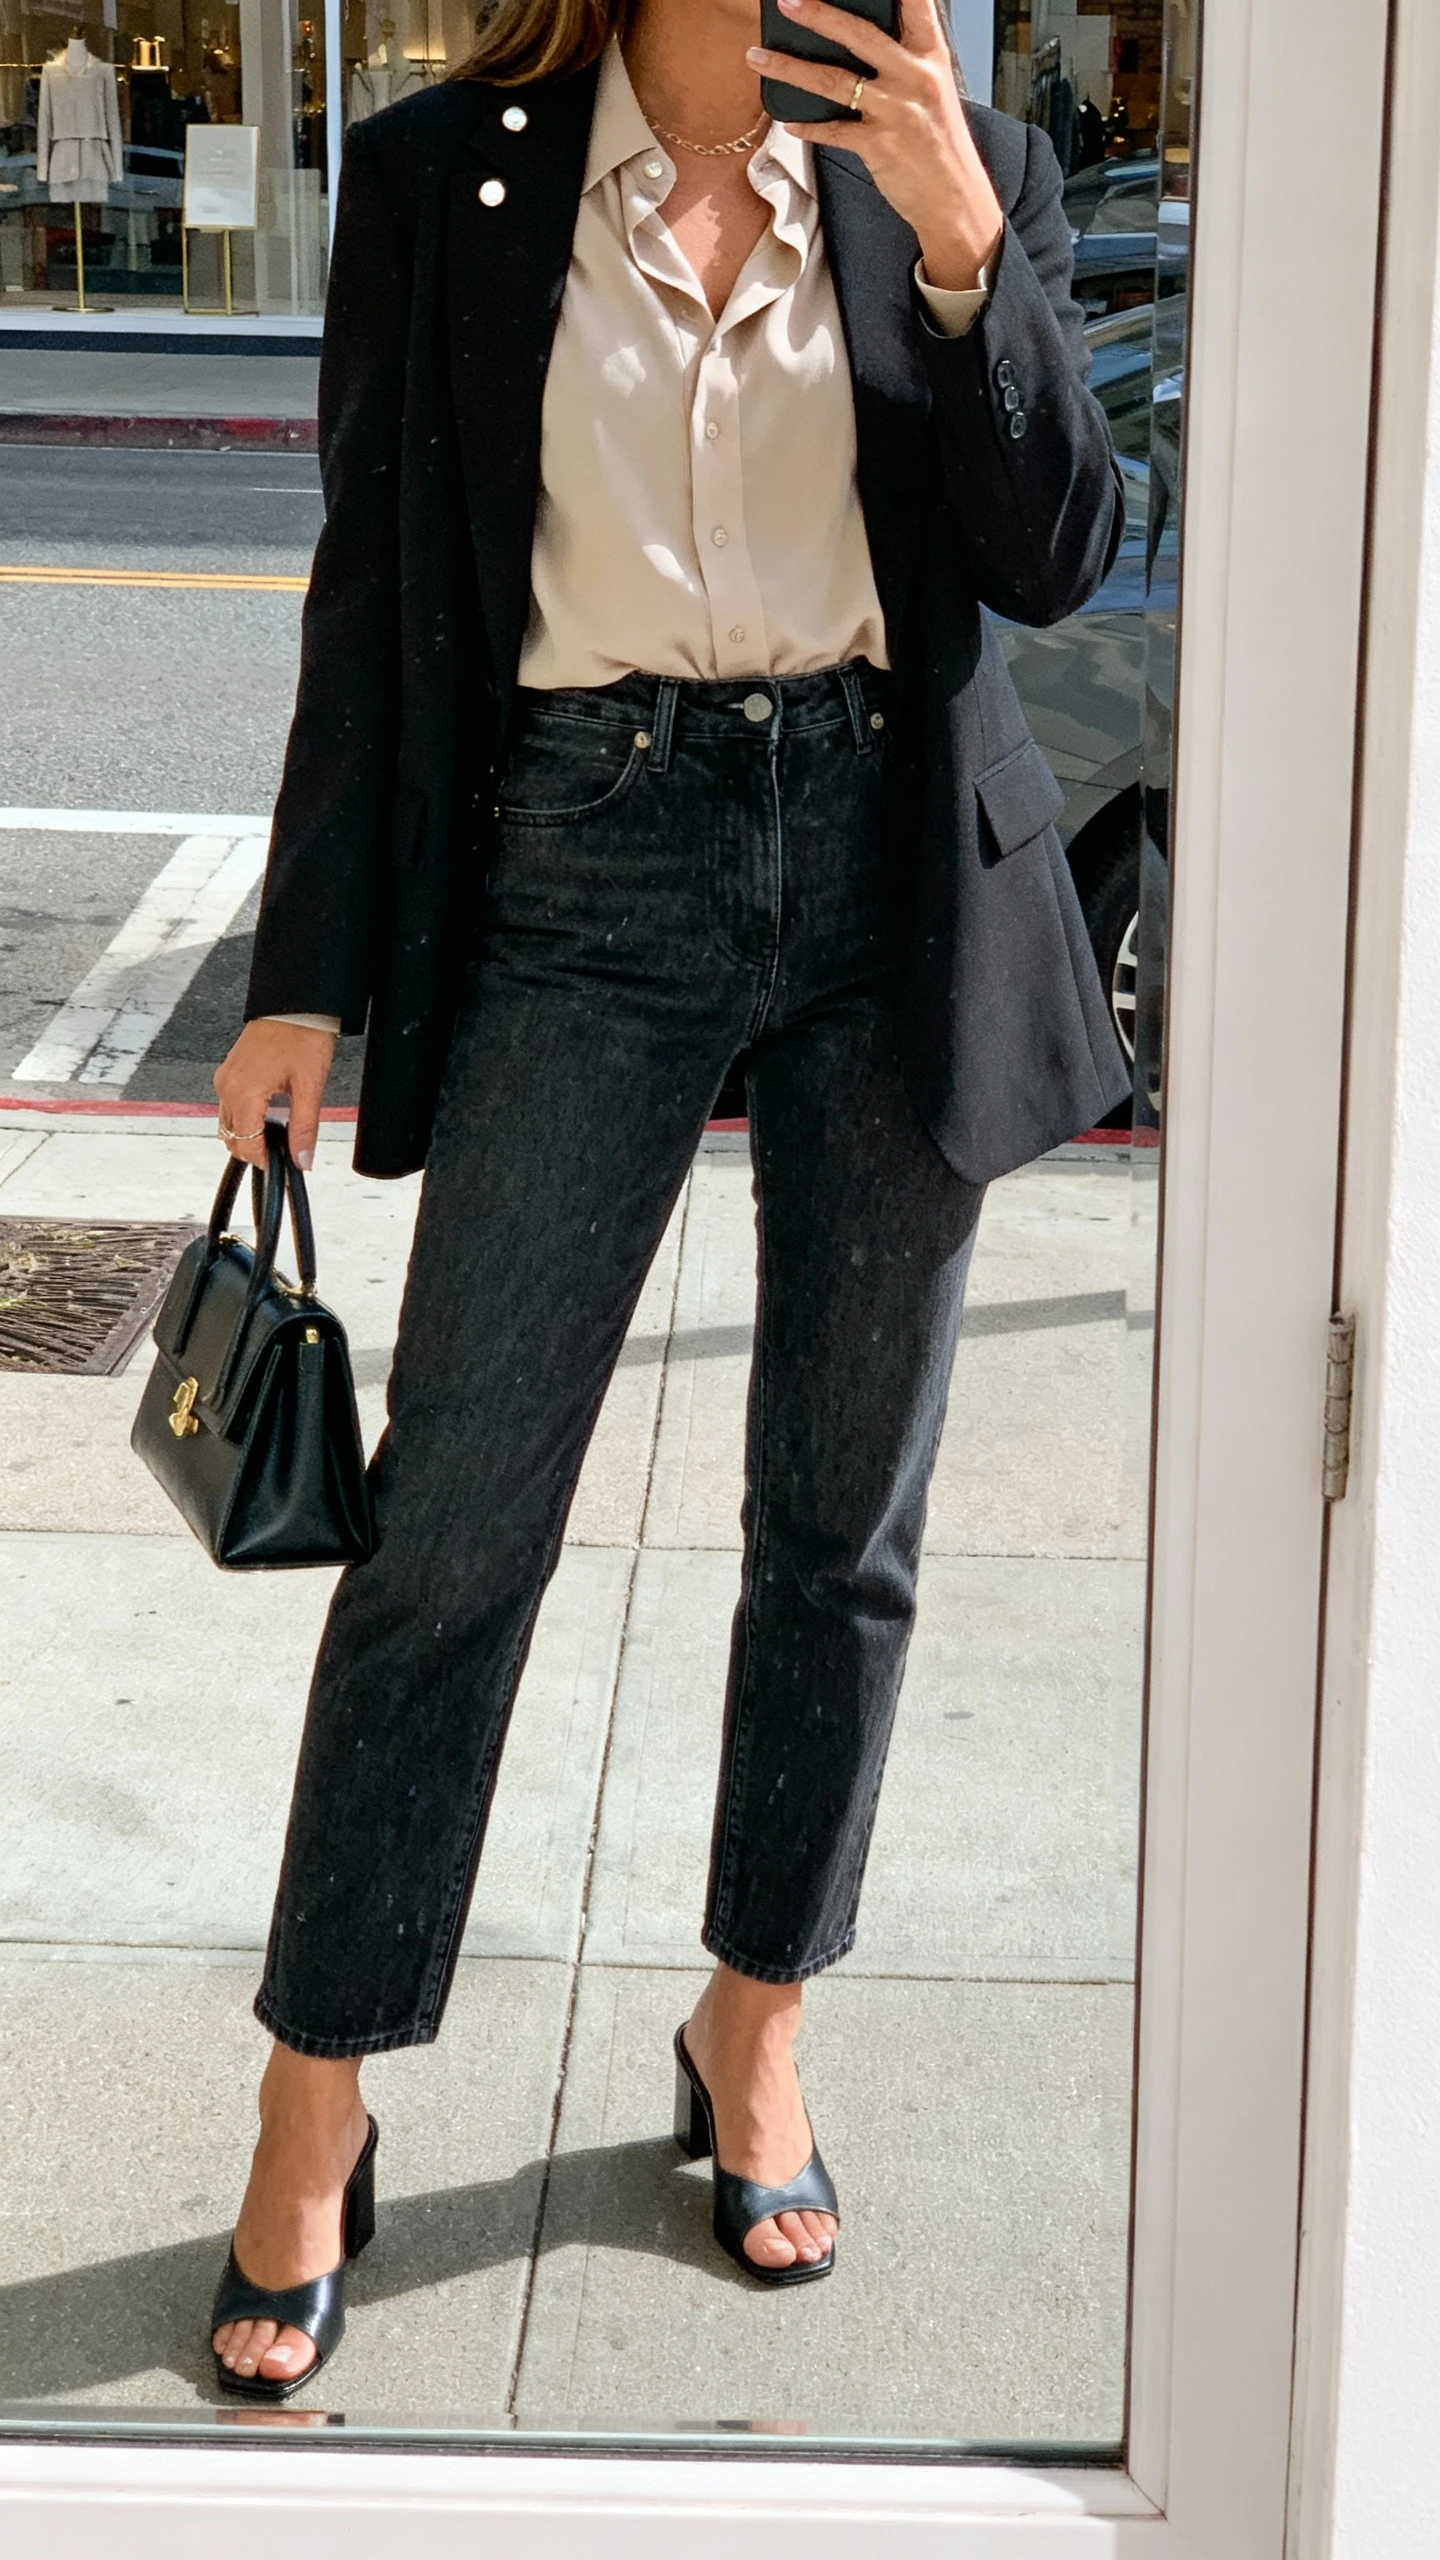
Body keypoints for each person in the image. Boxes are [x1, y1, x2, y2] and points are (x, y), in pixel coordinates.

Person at [209, 0, 1127, 2398]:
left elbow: (1057, 554)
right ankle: (319, 2090)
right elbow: (370, 589)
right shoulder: (441, 177)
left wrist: (958, 242)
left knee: (843, 1519)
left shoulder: (960, 157)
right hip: (579, 871)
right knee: (458, 1523)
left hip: (883, 876)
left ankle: (752, 2024)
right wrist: (306, 975)